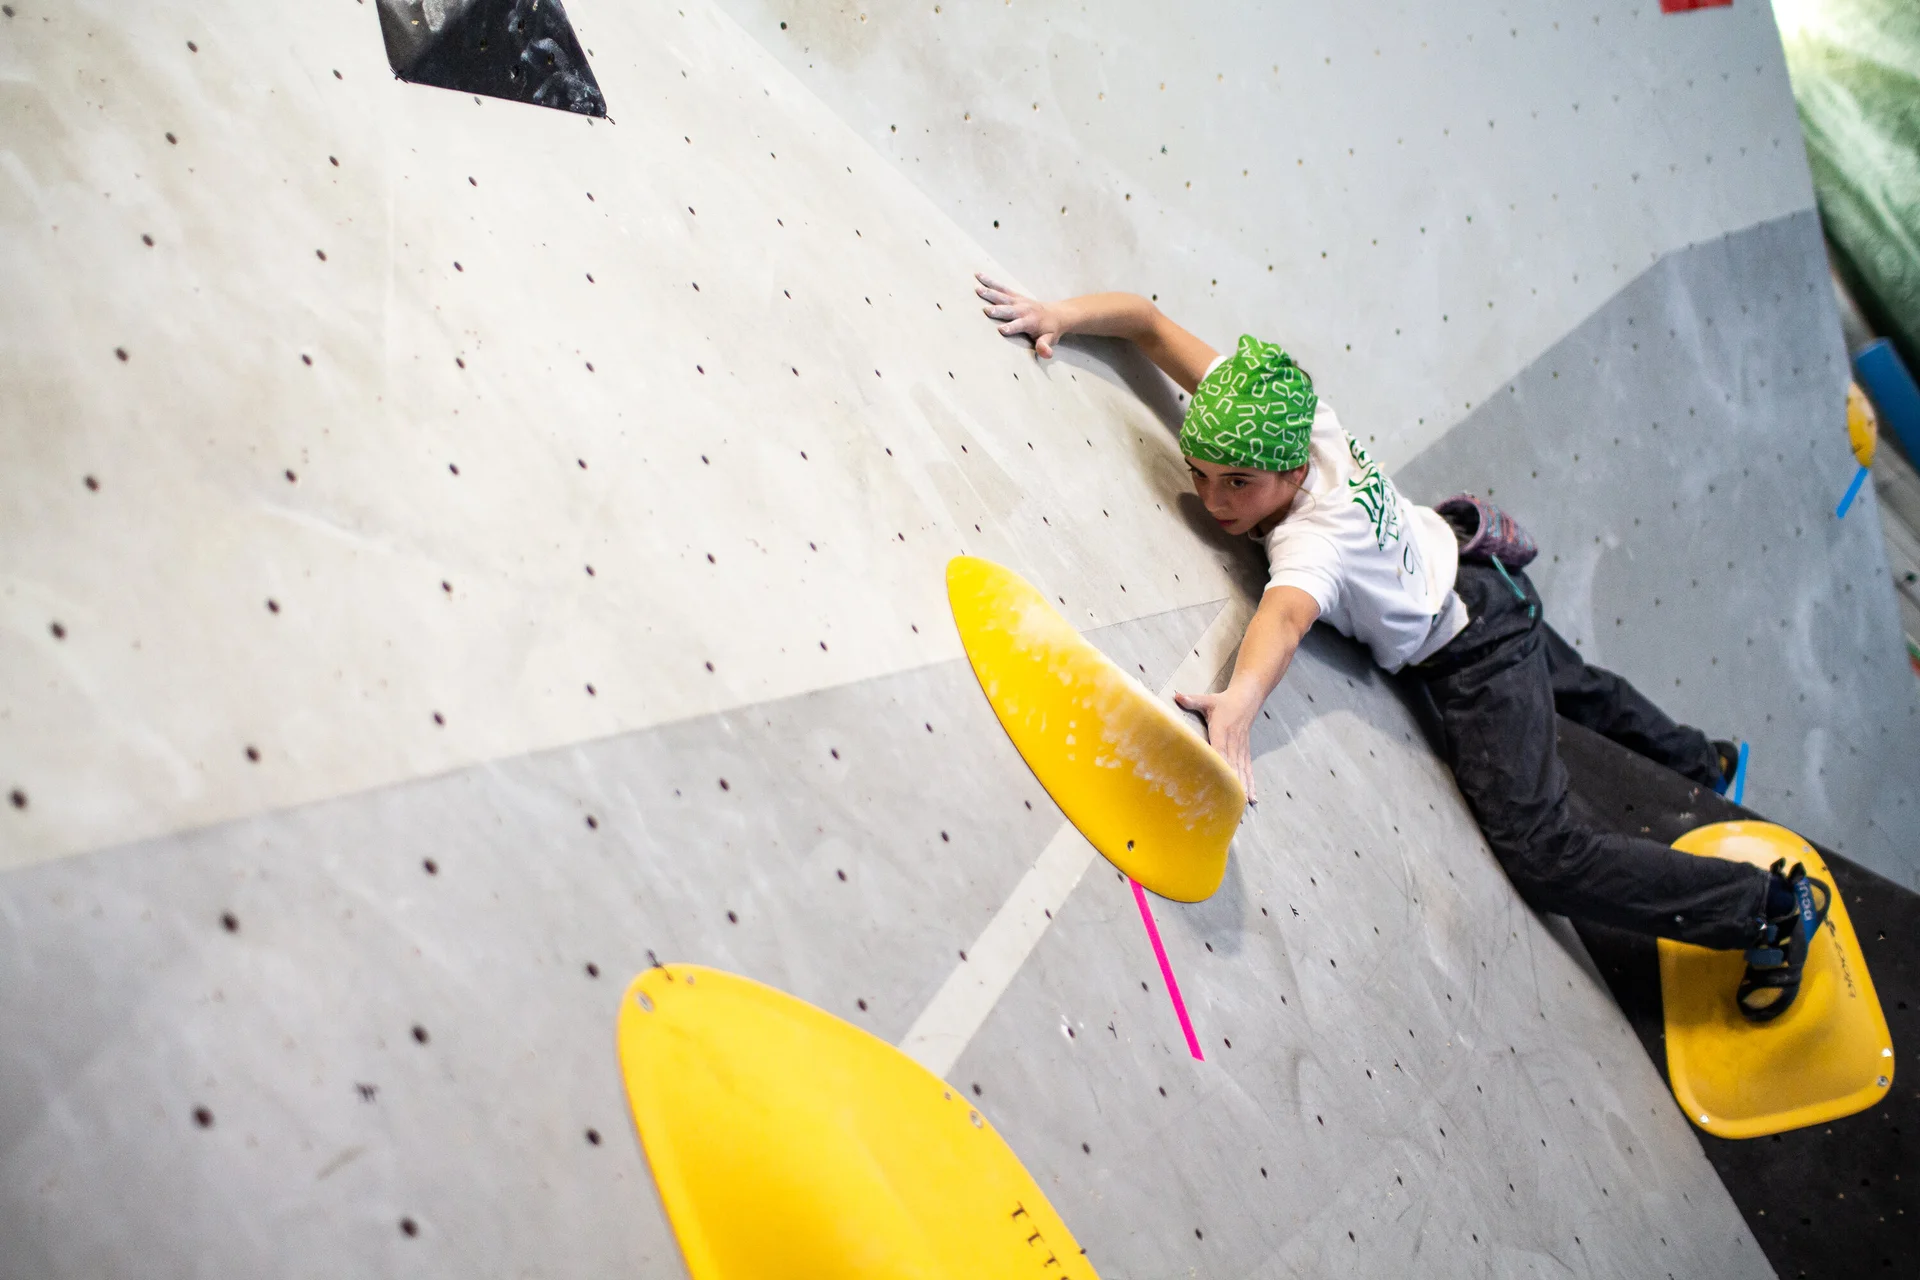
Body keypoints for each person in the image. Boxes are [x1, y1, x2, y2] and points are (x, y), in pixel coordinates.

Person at [974, 275, 1830, 1023]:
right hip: (1477, 565)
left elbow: (1282, 619)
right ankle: (1703, 762)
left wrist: (1236, 702)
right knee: (1578, 686)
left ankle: (1767, 911)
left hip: (1474, 651)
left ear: (1290, 476)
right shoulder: (1288, 419)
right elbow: (1152, 325)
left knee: (1544, 851)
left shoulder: (1317, 543)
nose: (1213, 497)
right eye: (1201, 472)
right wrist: (1063, 313)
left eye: (1238, 485)